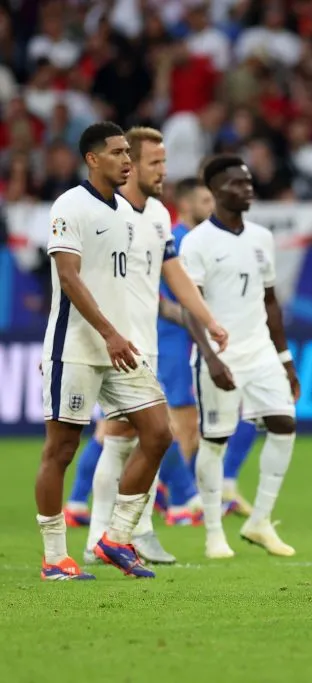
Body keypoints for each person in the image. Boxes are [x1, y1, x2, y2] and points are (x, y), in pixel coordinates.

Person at [36, 122, 221, 580]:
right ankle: (54, 556)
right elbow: (69, 278)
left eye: (127, 152)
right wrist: (110, 333)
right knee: (60, 450)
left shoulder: (128, 211)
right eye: (118, 153)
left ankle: (117, 537)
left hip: (123, 347)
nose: (126, 160)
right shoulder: (69, 206)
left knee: (158, 432)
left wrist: (196, 320)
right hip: (77, 345)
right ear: (93, 159)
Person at [180, 155, 301, 560]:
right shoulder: (196, 242)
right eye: (237, 184)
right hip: (221, 356)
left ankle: (259, 520)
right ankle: (214, 532)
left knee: (284, 423)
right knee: (214, 442)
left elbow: (270, 302)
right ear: (215, 191)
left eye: (249, 183)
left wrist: (284, 358)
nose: (247, 189)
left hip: (261, 351)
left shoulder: (261, 237)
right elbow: (187, 307)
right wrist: (211, 359)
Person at [156, 177, 214, 526]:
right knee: (181, 422)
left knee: (191, 425)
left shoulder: (197, 241)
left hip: (189, 338)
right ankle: (180, 500)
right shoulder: (175, 240)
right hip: (171, 339)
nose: (212, 206)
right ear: (188, 204)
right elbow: (158, 295)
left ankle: (172, 492)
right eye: (206, 200)